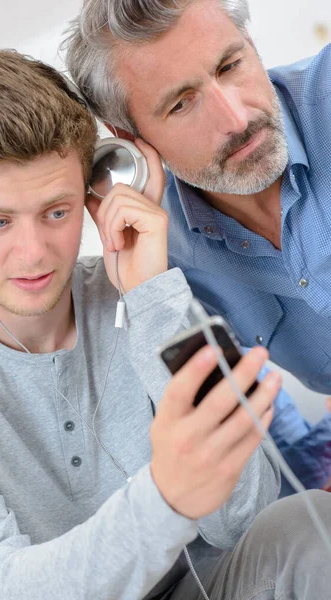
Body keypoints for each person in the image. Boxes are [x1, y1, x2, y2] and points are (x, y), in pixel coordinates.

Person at [0, 48, 329, 600]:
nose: (33, 253)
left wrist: (151, 295)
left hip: (214, 586)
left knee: (311, 523)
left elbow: (246, 518)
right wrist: (166, 498)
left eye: (57, 212)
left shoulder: (144, 291)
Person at [66, 0, 331, 492]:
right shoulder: (168, 254)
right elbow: (260, 454)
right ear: (130, 140)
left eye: (230, 66)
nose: (235, 119)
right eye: (181, 103)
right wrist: (147, 291)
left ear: (250, 45)